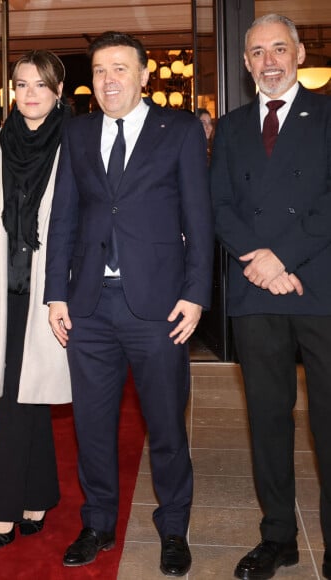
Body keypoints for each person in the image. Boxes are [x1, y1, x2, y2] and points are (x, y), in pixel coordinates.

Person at [44, 31, 213, 575]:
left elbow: (198, 218)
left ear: (144, 75)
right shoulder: (77, 132)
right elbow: (64, 216)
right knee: (92, 426)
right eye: (98, 70)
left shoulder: (181, 130)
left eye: (120, 68)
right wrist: (55, 295)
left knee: (165, 425)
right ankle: (97, 523)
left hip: (160, 307)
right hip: (89, 306)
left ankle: (173, 528)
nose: (108, 79)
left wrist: (195, 294)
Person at [211, 13, 331, 580]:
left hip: (319, 286)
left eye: (279, 48)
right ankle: (278, 536)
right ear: (246, 63)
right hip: (257, 291)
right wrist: (262, 262)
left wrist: (282, 257)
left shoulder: (329, 116)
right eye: (257, 52)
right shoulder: (232, 127)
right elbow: (219, 208)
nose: (269, 61)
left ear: (300, 53)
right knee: (268, 419)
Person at [0, 50, 71, 551]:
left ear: (58, 90)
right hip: (4, 291)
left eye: (39, 84)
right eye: (20, 84)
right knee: (22, 393)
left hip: (51, 294)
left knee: (19, 396)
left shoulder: (74, 143)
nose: (28, 94)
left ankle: (2, 510)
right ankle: (39, 494)